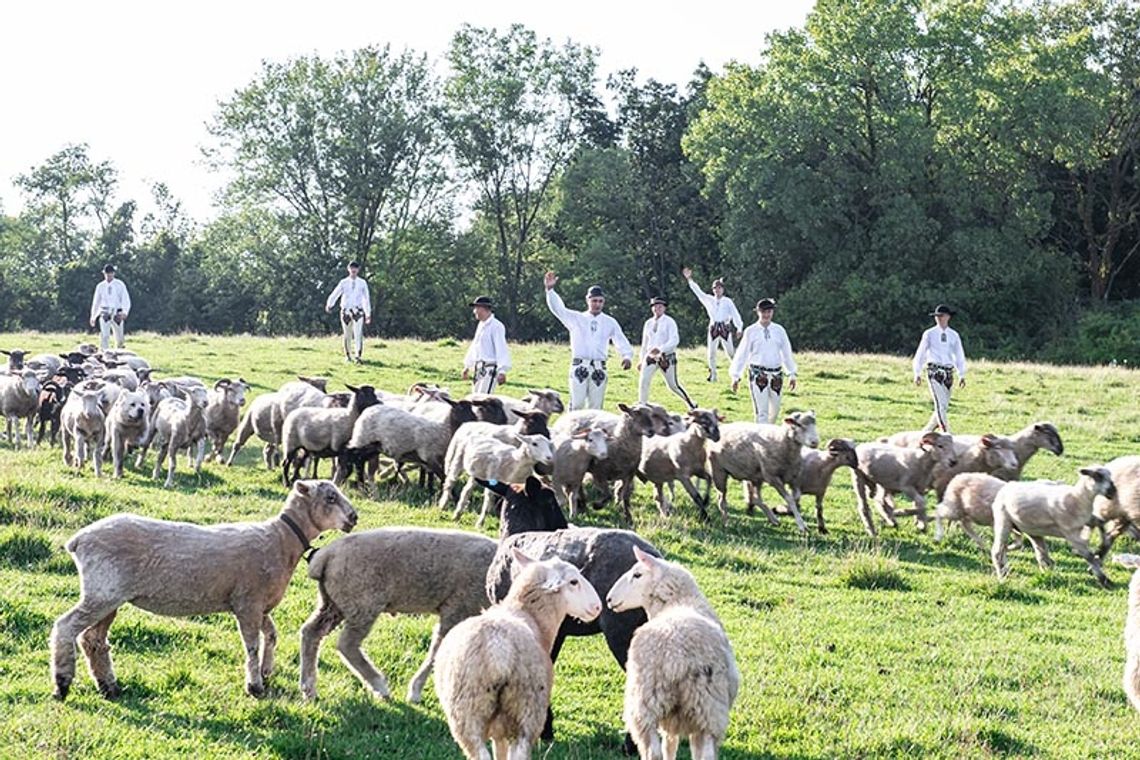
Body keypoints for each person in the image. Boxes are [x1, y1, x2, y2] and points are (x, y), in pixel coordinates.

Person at [544, 271, 632, 411]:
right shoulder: (576, 318)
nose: (597, 304)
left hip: (599, 368)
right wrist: (550, 290)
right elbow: (559, 310)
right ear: (588, 300)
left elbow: (620, 339)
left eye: (600, 301)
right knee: (577, 404)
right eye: (594, 301)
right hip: (580, 365)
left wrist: (626, 356)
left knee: (595, 407)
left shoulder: (609, 322)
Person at [730, 298, 797, 424]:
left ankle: (769, 437)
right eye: (763, 312)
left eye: (769, 312)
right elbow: (742, 354)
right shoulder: (751, 331)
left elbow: (786, 352)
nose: (766, 315)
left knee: (775, 411)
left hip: (776, 374)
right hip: (758, 374)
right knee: (762, 412)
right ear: (758, 312)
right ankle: (763, 440)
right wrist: (736, 375)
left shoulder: (779, 330)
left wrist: (791, 372)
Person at [912, 304, 967, 433]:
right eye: (937, 316)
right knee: (940, 405)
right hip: (934, 371)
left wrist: (962, 374)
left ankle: (925, 432)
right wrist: (917, 372)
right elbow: (921, 352)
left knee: (943, 406)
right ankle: (947, 433)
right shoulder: (929, 334)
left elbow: (959, 354)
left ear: (948, 317)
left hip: (948, 372)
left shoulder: (954, 335)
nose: (939, 319)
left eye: (941, 316)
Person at [683, 267, 743, 382]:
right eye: (715, 288)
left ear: (723, 289)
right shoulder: (708, 299)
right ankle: (713, 375)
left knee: (730, 353)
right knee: (711, 353)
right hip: (713, 327)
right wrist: (690, 279)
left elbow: (735, 314)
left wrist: (739, 327)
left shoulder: (728, 301)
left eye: (719, 288)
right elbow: (698, 292)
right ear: (713, 290)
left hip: (725, 327)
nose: (717, 290)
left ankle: (736, 374)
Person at [637, 297, 695, 409]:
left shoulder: (670, 322)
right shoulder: (648, 323)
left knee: (673, 385)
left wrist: (661, 349)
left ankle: (691, 403)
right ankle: (642, 405)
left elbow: (674, 340)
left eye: (660, 306)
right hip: (650, 357)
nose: (657, 308)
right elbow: (644, 343)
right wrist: (641, 359)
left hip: (666, 358)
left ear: (664, 308)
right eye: (655, 306)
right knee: (644, 380)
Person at [324, 261, 372, 363]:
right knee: (347, 334)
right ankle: (348, 355)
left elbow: (366, 298)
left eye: (355, 268)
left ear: (358, 270)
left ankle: (358, 355)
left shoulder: (362, 283)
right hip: (346, 310)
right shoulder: (344, 282)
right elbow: (336, 293)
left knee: (358, 333)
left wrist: (367, 314)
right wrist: (330, 304)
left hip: (357, 311)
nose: (353, 270)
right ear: (348, 269)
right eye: (352, 268)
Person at [462, 296, 511, 394]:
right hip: (479, 367)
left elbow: (501, 348)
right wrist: (467, 366)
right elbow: (475, 346)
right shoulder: (481, 325)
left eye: (477, 308)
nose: (475, 311)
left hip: (490, 368)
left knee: (483, 399)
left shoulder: (496, 326)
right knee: (475, 397)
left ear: (484, 308)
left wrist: (502, 371)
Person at [89, 264, 131, 351]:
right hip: (105, 312)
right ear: (104, 274)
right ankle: (105, 354)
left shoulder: (120, 284)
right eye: (107, 274)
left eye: (110, 273)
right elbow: (96, 302)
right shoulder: (100, 286)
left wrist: (125, 312)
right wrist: (93, 316)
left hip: (117, 312)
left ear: (113, 273)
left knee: (120, 337)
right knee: (105, 336)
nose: (109, 276)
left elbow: (125, 299)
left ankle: (120, 354)